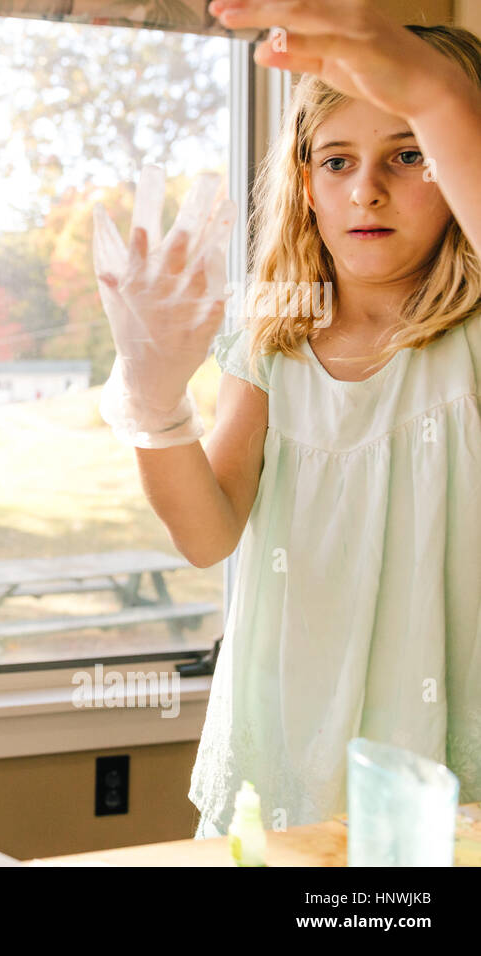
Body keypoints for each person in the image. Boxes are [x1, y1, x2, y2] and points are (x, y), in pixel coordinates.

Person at [94, 5, 481, 838]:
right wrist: (157, 404)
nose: (365, 188)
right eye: (337, 160)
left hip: (444, 773)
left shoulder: (471, 341)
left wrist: (443, 98)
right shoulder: (273, 338)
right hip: (282, 761)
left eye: (409, 154)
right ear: (307, 184)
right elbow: (208, 535)